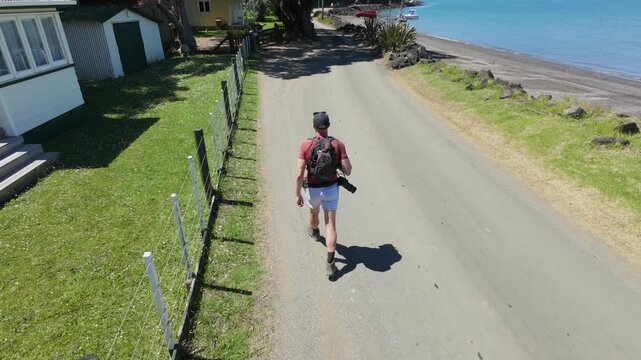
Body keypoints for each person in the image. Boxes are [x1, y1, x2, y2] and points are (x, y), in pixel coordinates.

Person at [296, 111, 352, 278]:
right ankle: (330, 263)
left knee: (313, 212)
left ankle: (314, 231)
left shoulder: (306, 145)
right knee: (331, 225)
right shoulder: (338, 144)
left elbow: (299, 173)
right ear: (328, 126)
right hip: (331, 189)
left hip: (312, 189)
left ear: (314, 126)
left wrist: (297, 193)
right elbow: (347, 171)